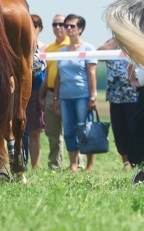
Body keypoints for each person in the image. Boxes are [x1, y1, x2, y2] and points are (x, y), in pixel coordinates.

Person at [53, 14, 97, 172]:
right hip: (65, 97)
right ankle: (73, 163)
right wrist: (56, 98)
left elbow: (91, 74)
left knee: (85, 129)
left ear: (80, 29)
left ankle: (90, 164)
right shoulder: (62, 50)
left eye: (72, 26)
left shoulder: (88, 48)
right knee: (69, 131)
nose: (68, 29)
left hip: (83, 96)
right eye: (66, 26)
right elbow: (58, 77)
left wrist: (93, 96)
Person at [39, 14, 69, 170]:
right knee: (52, 134)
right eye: (54, 24)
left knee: (71, 132)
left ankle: (77, 165)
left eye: (61, 24)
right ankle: (55, 166)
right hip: (50, 93)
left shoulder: (72, 45)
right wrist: (41, 95)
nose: (58, 27)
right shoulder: (49, 48)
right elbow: (48, 74)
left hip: (69, 92)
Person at [104, 38, 137, 169]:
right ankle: (126, 161)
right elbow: (99, 53)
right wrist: (117, 38)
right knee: (118, 129)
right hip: (114, 94)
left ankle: (136, 159)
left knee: (133, 129)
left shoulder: (134, 40)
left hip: (132, 94)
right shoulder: (110, 43)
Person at [24, 14, 45, 169]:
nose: (32, 28)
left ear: (40, 28)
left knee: (35, 130)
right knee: (20, 129)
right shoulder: (20, 45)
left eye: (35, 25)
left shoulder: (45, 48)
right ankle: (20, 161)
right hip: (22, 92)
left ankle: (35, 166)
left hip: (38, 91)